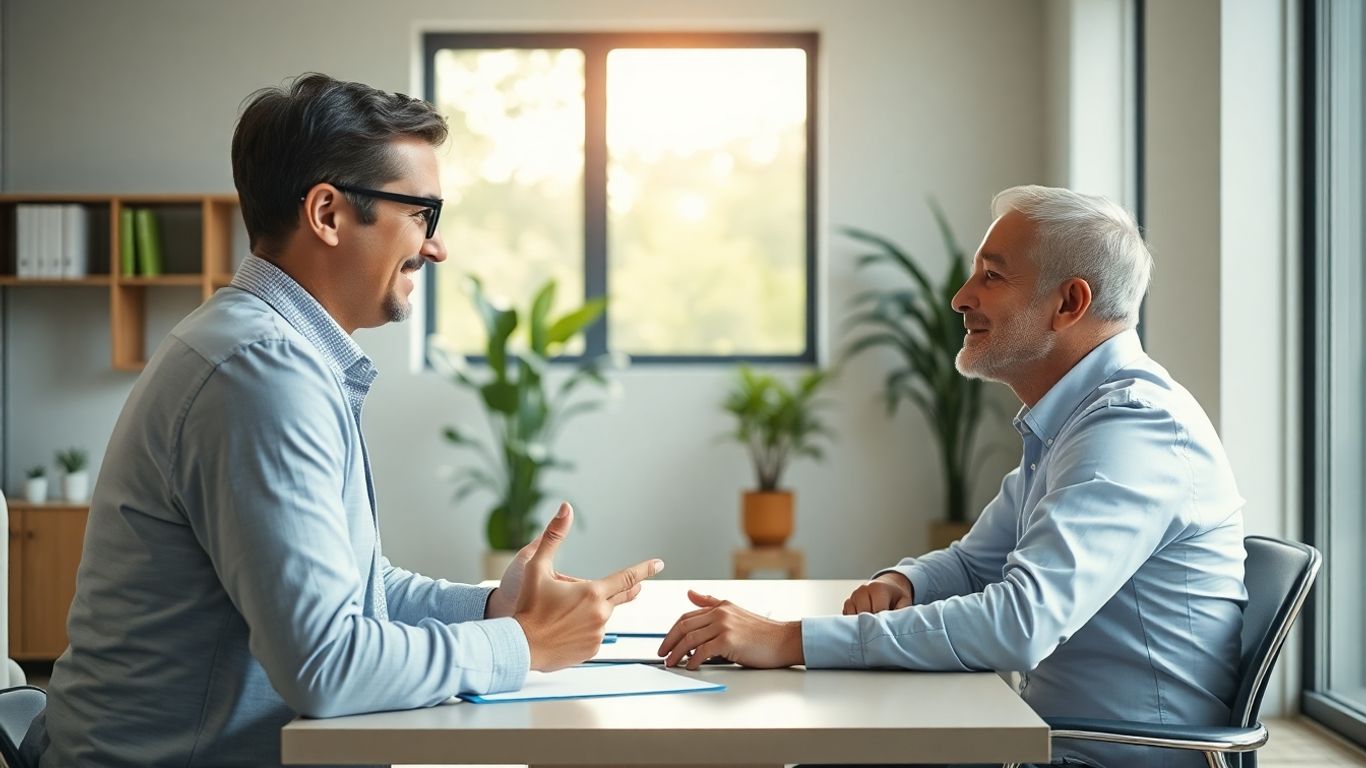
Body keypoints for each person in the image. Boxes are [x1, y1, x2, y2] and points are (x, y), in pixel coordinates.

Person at [27, 73, 663, 768]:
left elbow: (359, 587)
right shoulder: (259, 373)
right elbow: (328, 667)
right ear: (327, 214)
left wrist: (491, 609)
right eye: (422, 214)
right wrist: (525, 644)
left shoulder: (275, 351)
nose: (437, 246)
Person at [659, 185, 1246, 768]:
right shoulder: (1077, 421)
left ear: (1069, 303)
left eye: (992, 276)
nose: (961, 298)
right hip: (1048, 743)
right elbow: (974, 563)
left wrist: (789, 640)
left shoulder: (1131, 429)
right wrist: (905, 582)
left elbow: (1020, 623)